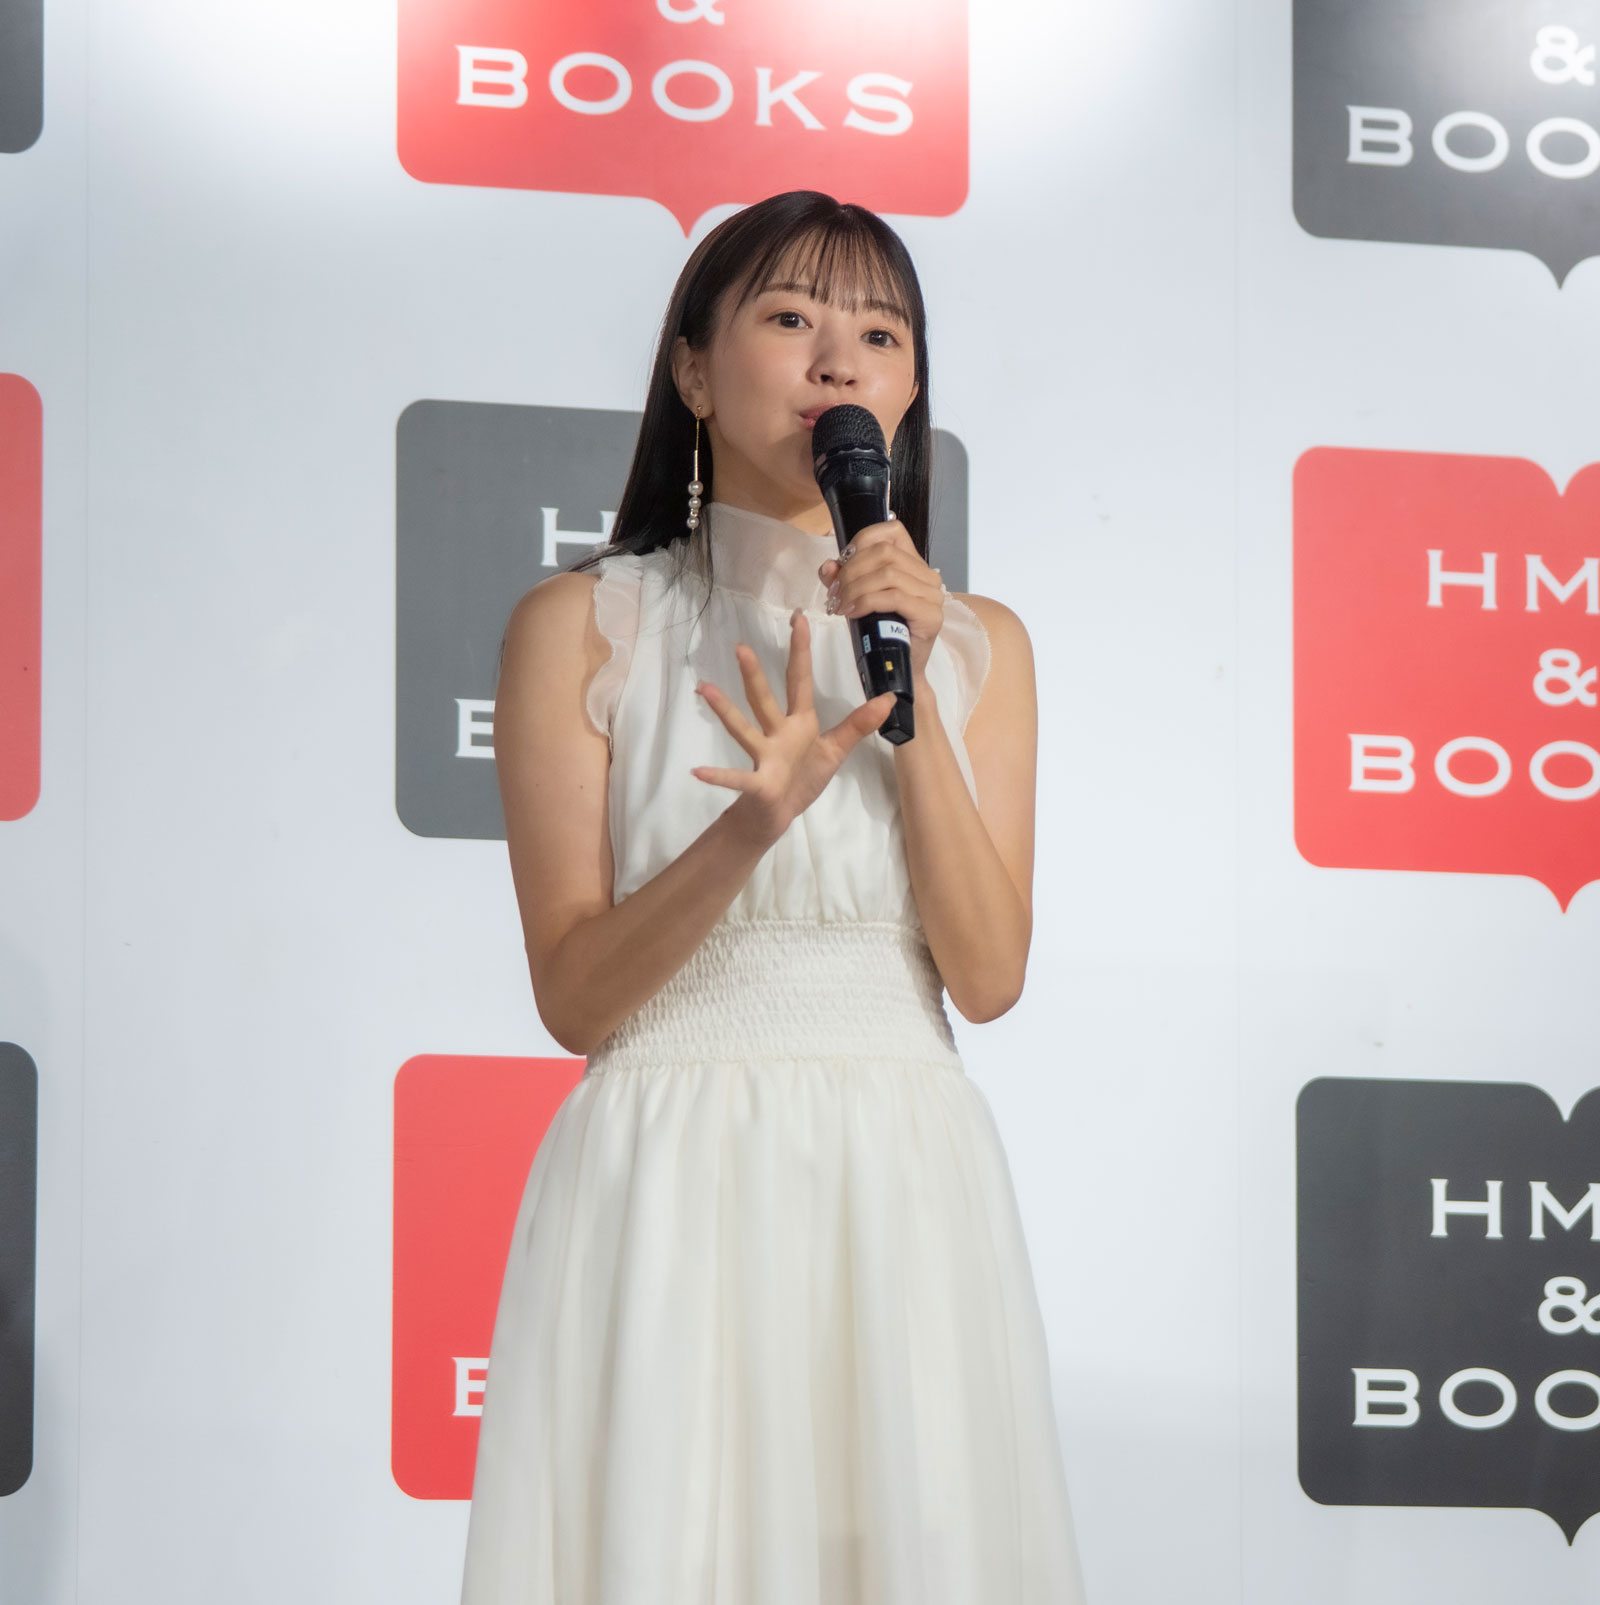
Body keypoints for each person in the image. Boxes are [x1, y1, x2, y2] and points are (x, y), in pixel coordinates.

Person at [460, 190, 1087, 1605]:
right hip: (671, 1169)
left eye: (880, 333)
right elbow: (576, 998)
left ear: (909, 392)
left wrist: (905, 694)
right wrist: (747, 831)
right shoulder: (583, 628)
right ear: (693, 370)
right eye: (792, 317)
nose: (838, 361)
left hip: (902, 1171)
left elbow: (987, 977)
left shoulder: (979, 649)